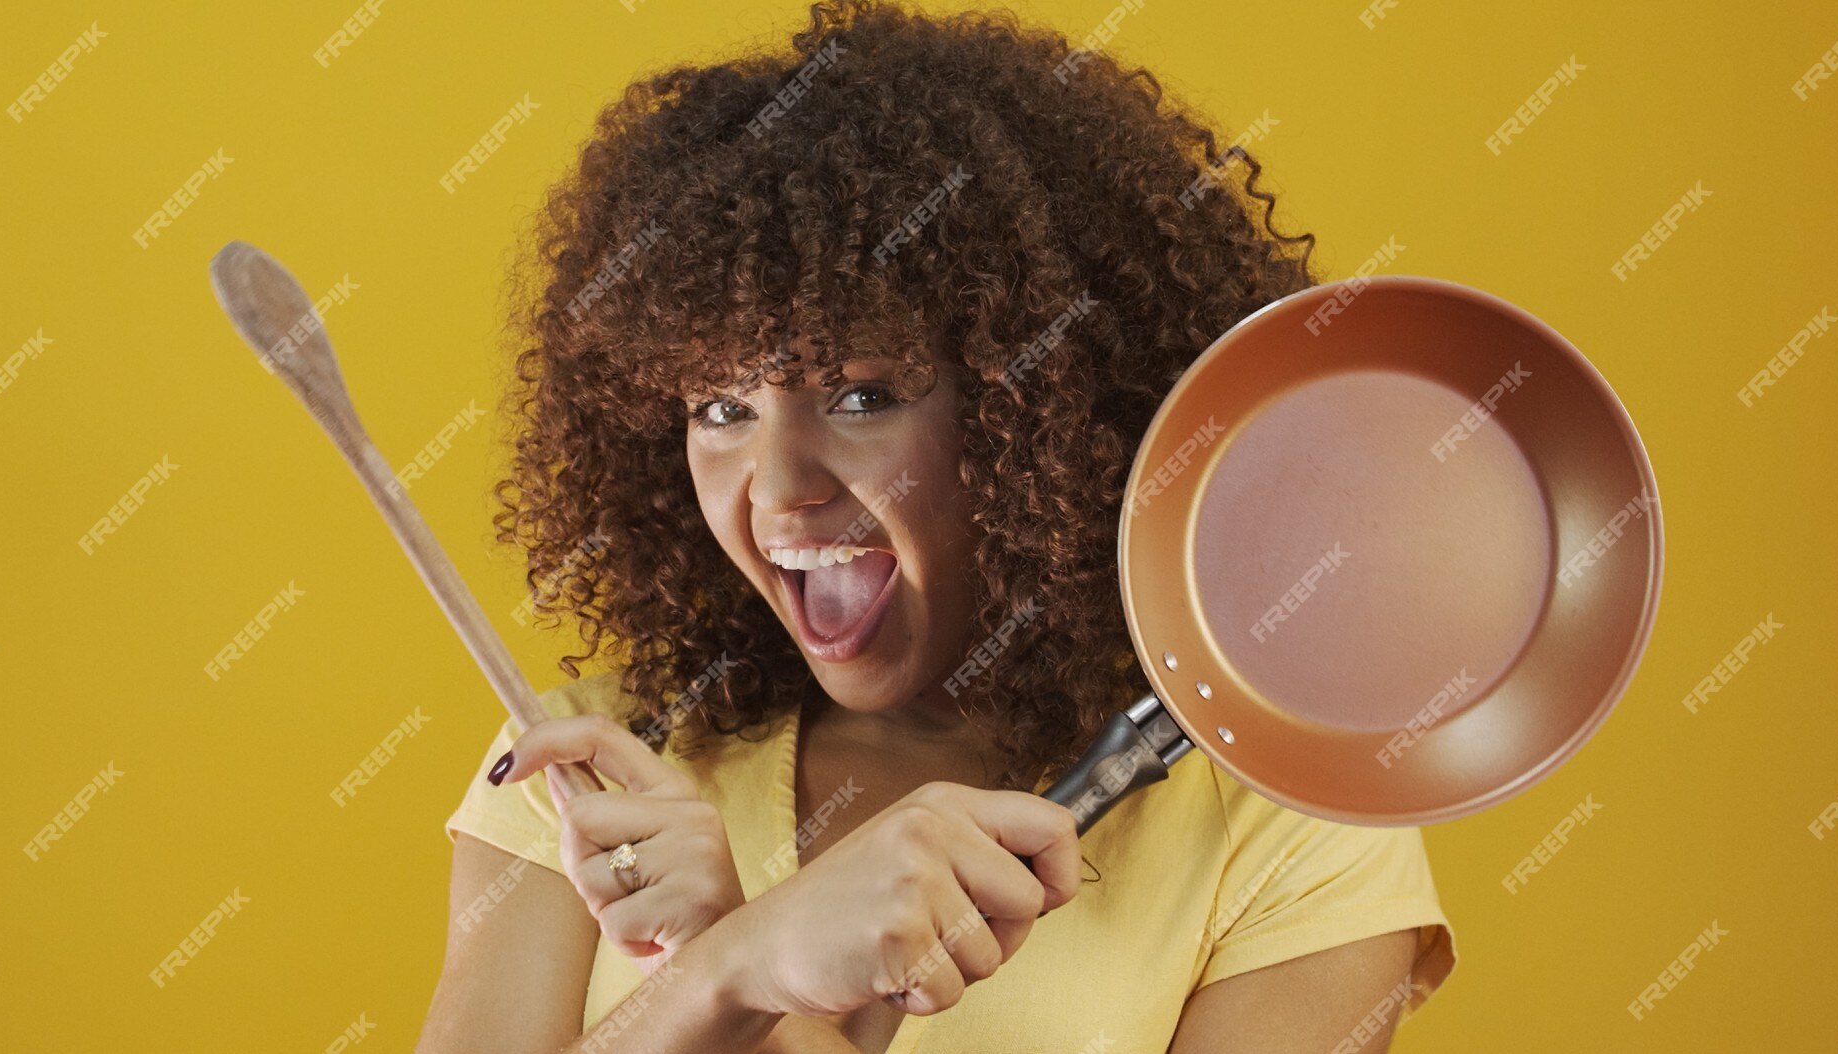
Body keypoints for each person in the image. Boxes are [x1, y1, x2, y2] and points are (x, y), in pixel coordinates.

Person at [419, 2, 1455, 1051]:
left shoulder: (1288, 828)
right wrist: (722, 971)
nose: (775, 491)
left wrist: (727, 956)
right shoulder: (594, 775)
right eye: (719, 408)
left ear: (1048, 407)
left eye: (861, 397)